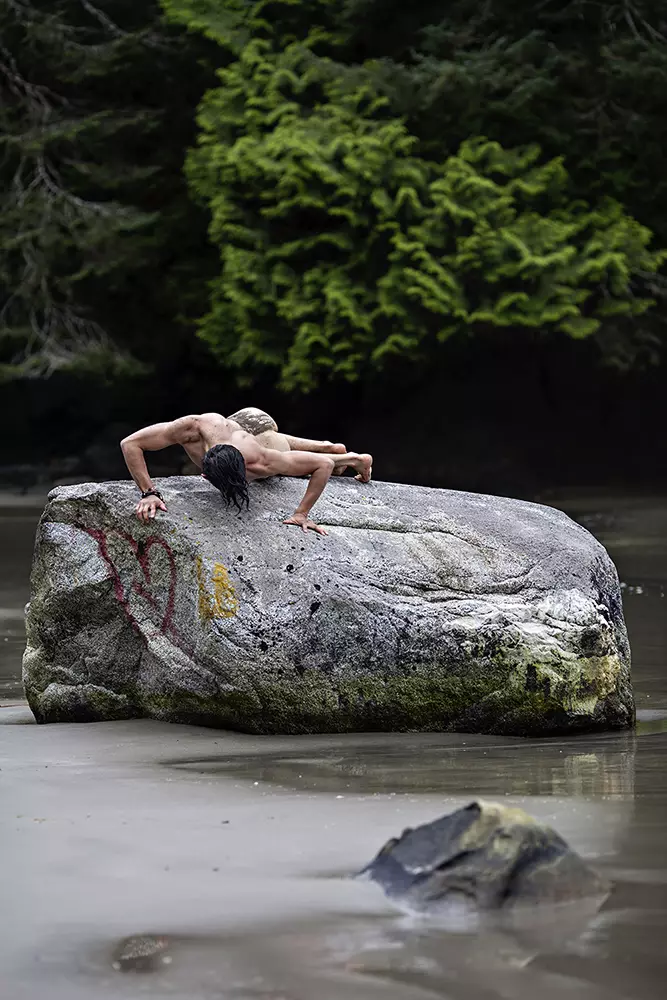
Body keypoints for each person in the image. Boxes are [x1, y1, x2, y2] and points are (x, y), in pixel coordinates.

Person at [120, 407, 373, 535]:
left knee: (302, 455)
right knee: (305, 448)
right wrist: (148, 493)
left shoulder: (259, 461)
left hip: (261, 437)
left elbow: (323, 466)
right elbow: (130, 443)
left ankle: (352, 458)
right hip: (243, 419)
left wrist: (301, 514)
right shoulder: (191, 427)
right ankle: (330, 446)